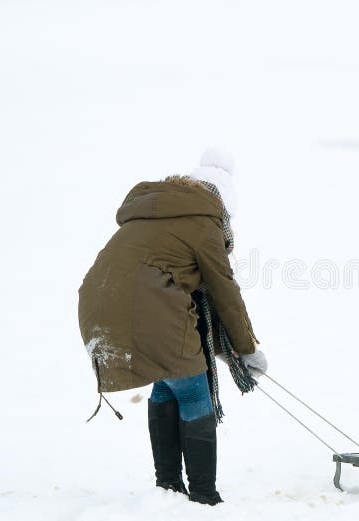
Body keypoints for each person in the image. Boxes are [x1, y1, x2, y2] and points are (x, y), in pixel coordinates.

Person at [78, 148, 266, 505]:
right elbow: (225, 291)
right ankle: (204, 496)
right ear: (222, 203)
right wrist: (247, 349)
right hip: (146, 308)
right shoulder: (203, 222)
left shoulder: (153, 211)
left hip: (97, 304)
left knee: (168, 381)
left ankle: (168, 487)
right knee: (193, 390)